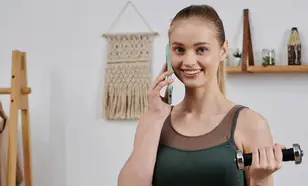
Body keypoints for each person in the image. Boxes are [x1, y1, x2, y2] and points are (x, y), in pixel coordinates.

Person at [117, 4, 284, 186]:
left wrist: (260, 178)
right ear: (169, 53)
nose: (189, 62)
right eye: (179, 50)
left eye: (201, 50)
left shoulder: (252, 124)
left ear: (222, 50)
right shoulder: (153, 120)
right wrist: (155, 117)